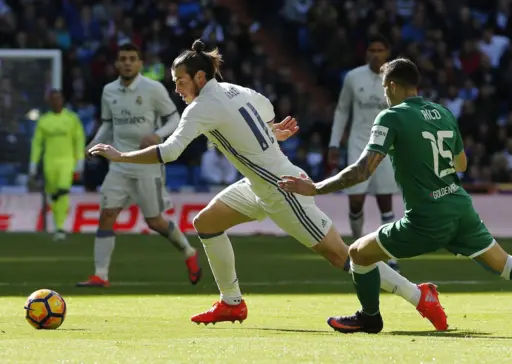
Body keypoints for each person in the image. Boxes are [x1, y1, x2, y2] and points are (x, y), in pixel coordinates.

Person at [88, 40, 447, 330]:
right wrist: (269, 133)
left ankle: (419, 295)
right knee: (206, 223)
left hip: (283, 189)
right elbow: (263, 109)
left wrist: (119, 157)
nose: (177, 89)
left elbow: (169, 152)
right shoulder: (235, 91)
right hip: (260, 184)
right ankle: (232, 303)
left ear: (199, 77)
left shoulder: (200, 108)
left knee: (341, 257)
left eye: (180, 81)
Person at [278, 58, 512, 336]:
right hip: (460, 208)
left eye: (383, 88)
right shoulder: (443, 113)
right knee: (507, 264)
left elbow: (363, 171)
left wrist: (316, 187)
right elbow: (461, 164)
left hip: (426, 216)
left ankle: (370, 317)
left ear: (390, 85)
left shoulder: (391, 117)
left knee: (358, 253)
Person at [77, 43, 201, 288]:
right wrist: (93, 144)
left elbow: (174, 118)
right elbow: (107, 125)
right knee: (106, 215)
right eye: (123, 58)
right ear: (116, 64)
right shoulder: (109, 91)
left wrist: (158, 135)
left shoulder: (153, 89)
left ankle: (189, 252)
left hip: (147, 163)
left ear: (140, 63)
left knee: (155, 221)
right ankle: (100, 275)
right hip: (118, 165)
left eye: (132, 58)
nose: (127, 63)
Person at [328, 35, 400, 271]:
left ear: (387, 52)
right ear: (366, 52)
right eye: (372, 49)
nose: (376, 54)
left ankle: (391, 256)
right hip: (359, 145)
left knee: (385, 203)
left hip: (387, 146)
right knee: (356, 201)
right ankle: (356, 251)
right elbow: (341, 111)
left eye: (380, 49)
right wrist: (334, 144)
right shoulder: (353, 77)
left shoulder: (395, 77)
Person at [29, 90, 86, 241]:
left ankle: (60, 226)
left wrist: (79, 161)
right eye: (52, 99)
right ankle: (58, 226)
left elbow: (79, 140)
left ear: (62, 100)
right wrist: (33, 163)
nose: (55, 101)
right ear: (49, 102)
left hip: (67, 160)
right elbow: (37, 144)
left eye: (58, 98)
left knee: (62, 189)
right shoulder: (44, 121)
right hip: (50, 161)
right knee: (54, 194)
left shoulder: (72, 118)